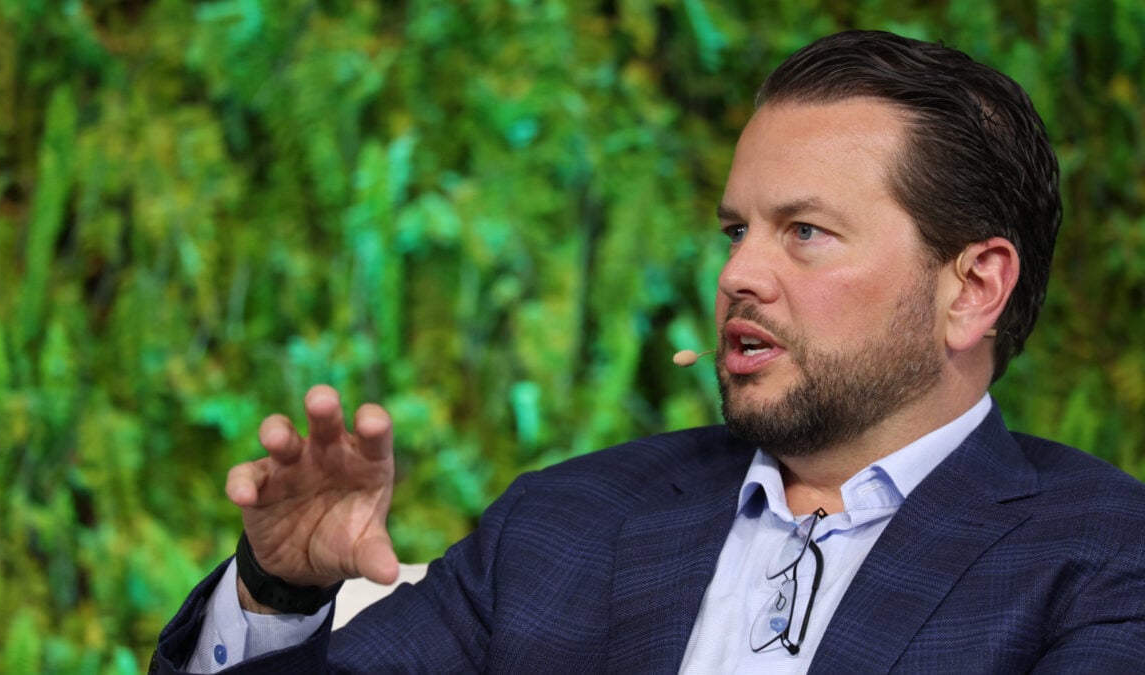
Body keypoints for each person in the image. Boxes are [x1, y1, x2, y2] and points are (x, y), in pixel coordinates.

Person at [150, 30, 1145, 673]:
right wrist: (276, 594)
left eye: (804, 232)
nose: (738, 275)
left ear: (973, 288)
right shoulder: (563, 522)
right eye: (736, 231)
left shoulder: (1104, 556)